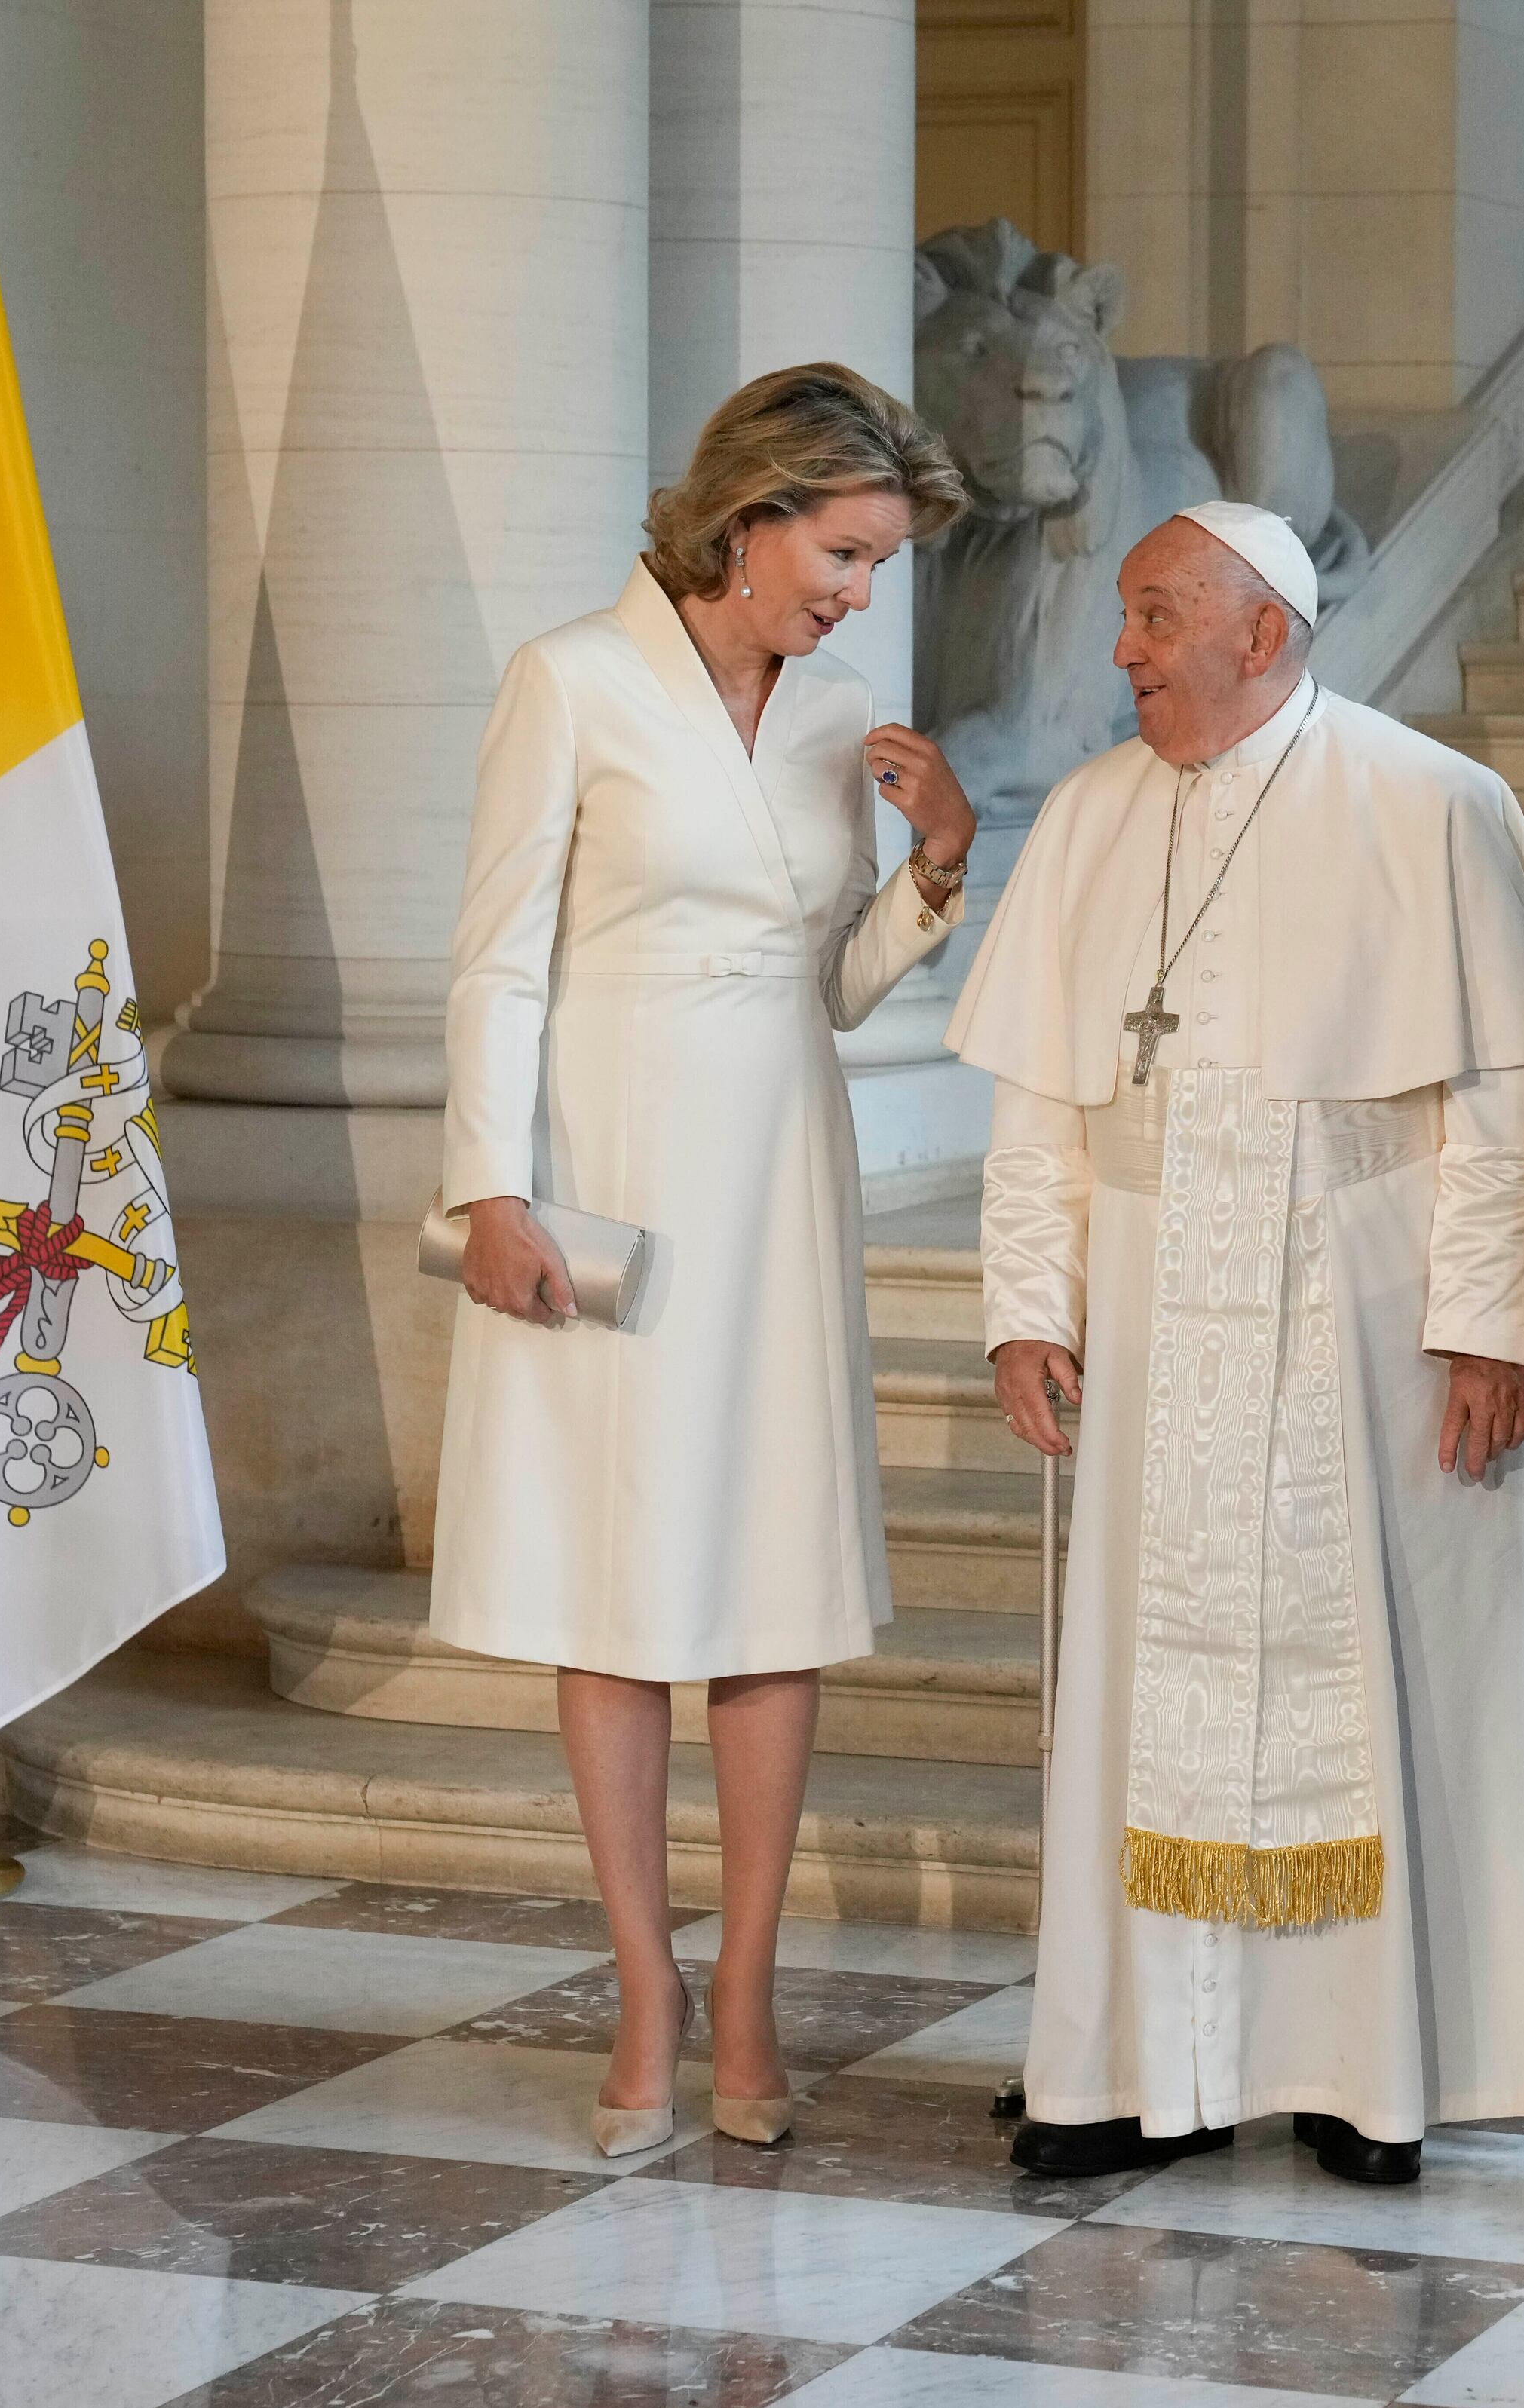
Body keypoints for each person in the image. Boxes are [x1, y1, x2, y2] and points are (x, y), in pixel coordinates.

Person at [950, 501, 1524, 2183]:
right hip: (1156, 1300)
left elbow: (1507, 1094)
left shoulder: (1430, 800)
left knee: (1370, 1693)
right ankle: (1126, 2064)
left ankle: (1354, 2065)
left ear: (1263, 634)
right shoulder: (1094, 815)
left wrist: (1484, 1321)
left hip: (1370, 1304)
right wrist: (1027, 1299)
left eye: (1155, 615)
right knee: (1140, 1693)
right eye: (1124, 615)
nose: (1122, 650)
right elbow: (1040, 1094)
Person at [431, 365, 978, 2158]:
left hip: (776, 1169)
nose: (855, 594)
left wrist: (932, 876)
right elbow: (500, 958)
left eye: (878, 563)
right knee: (612, 1584)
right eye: (840, 551)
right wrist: (487, 1188)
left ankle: (745, 1986)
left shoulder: (843, 718)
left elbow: (812, 990)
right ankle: (643, 1986)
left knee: (769, 1574)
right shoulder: (571, 682)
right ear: (748, 516)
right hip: (603, 1166)